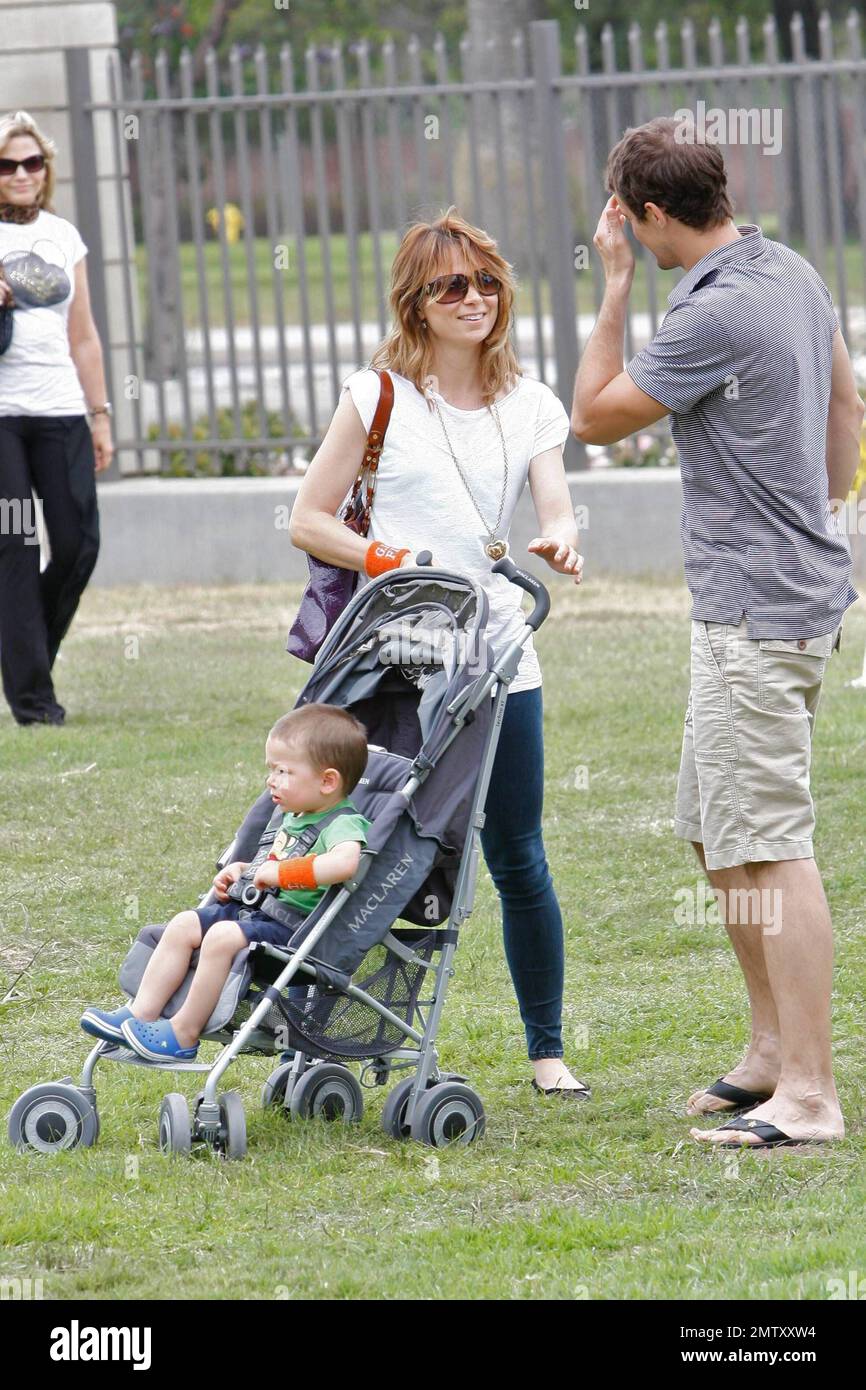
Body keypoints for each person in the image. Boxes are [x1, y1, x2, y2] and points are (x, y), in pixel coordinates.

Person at [572, 116, 863, 1148]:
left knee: (770, 843)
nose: (631, 240)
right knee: (714, 829)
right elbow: (843, 402)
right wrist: (816, 516)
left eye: (630, 226)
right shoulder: (785, 269)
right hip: (773, 598)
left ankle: (813, 1096)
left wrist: (610, 288)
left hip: (755, 612)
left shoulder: (708, 317)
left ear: (648, 214)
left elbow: (594, 415)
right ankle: (770, 1054)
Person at [289, 206, 591, 1101]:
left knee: (517, 855)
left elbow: (554, 502)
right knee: (376, 843)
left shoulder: (530, 402)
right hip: (394, 661)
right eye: (452, 286)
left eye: (488, 282)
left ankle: (546, 1050)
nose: (475, 299)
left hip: (498, 655)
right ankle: (327, 1030)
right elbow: (308, 516)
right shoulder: (377, 394)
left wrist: (563, 537)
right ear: (416, 304)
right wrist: (391, 557)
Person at [79, 704, 372, 1062]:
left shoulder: (343, 822)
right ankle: (140, 1013)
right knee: (185, 923)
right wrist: (243, 872)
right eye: (271, 769)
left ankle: (183, 1033)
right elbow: (274, 865)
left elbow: (345, 862)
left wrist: (282, 875)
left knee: (219, 937)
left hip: (291, 929)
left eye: (284, 771)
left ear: (327, 781)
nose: (271, 780)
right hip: (255, 912)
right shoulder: (295, 817)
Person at [0, 109, 113, 727]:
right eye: (8, 164)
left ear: (46, 171)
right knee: (14, 543)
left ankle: (26, 653)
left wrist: (100, 415)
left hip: (62, 409)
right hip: (3, 420)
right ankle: (34, 701)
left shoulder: (64, 236)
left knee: (76, 544)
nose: (21, 174)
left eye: (32, 163)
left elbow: (85, 335)